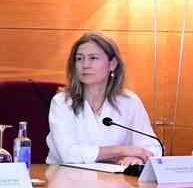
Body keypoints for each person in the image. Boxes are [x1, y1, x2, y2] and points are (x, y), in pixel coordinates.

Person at [46, 31, 161, 166]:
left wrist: (139, 158)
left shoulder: (129, 101)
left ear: (112, 64)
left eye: (93, 58)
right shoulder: (62, 102)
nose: (85, 65)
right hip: (65, 178)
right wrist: (123, 150)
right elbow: (69, 154)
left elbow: (153, 147)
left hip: (115, 181)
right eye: (79, 58)